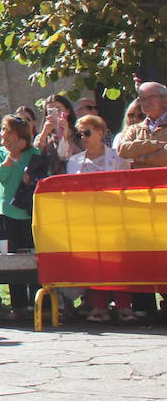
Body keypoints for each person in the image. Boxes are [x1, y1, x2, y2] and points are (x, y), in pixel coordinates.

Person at [65, 114, 132, 324]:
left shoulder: (117, 158)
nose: (83, 137)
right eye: (80, 134)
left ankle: (124, 306)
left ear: (101, 133)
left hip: (114, 218)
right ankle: (99, 306)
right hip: (87, 220)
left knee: (119, 263)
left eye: (87, 132)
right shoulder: (74, 162)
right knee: (95, 264)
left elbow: (126, 187)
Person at [0, 115, 44, 317]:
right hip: (5, 211)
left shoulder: (33, 153)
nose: (3, 133)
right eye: (3, 129)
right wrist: (11, 155)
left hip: (28, 211)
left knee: (33, 258)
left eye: (9, 130)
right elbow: (0, 175)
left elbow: (39, 176)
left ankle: (39, 304)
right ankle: (19, 305)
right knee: (11, 258)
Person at [115, 81, 167, 168]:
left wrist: (141, 158)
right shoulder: (134, 129)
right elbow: (122, 150)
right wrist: (154, 145)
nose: (146, 102)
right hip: (140, 180)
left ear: (165, 99)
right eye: (142, 99)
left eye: (151, 97)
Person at [35, 93, 81, 176]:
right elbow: (35, 156)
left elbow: (78, 157)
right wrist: (44, 133)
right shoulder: (43, 137)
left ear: (67, 111)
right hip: (53, 183)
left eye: (58, 110)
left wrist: (65, 136)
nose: (55, 114)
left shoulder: (79, 133)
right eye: (50, 112)